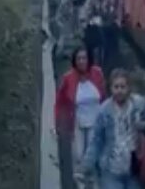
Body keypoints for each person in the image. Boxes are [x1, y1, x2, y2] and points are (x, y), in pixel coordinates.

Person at [82, 68, 145, 189]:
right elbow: (97, 140)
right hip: (111, 171)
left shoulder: (139, 104)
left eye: (123, 87)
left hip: (134, 169)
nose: (119, 91)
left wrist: (143, 126)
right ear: (111, 89)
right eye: (116, 87)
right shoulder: (104, 111)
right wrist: (87, 165)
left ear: (129, 88)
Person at [54, 46, 107, 189]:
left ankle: (95, 183)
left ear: (89, 59)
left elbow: (104, 97)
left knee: (93, 156)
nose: (82, 61)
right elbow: (60, 102)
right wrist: (59, 122)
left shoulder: (97, 74)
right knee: (78, 155)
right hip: (78, 121)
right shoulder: (68, 78)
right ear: (75, 61)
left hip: (96, 122)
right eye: (79, 58)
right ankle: (80, 185)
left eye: (84, 58)